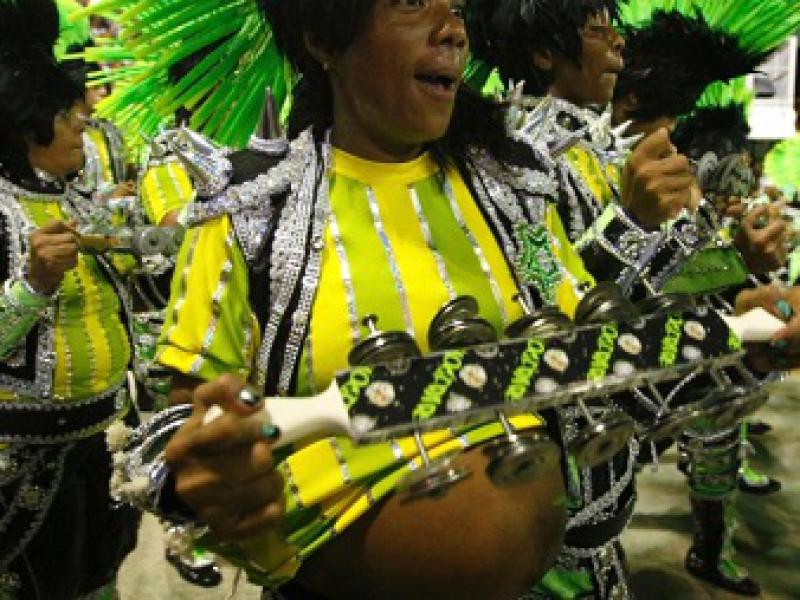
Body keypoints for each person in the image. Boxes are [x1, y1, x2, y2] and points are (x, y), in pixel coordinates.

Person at [0, 0, 140, 597]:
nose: (83, 122)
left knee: (100, 577)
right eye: (66, 114)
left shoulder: (79, 198)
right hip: (25, 456)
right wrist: (33, 284)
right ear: (26, 126)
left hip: (105, 436)